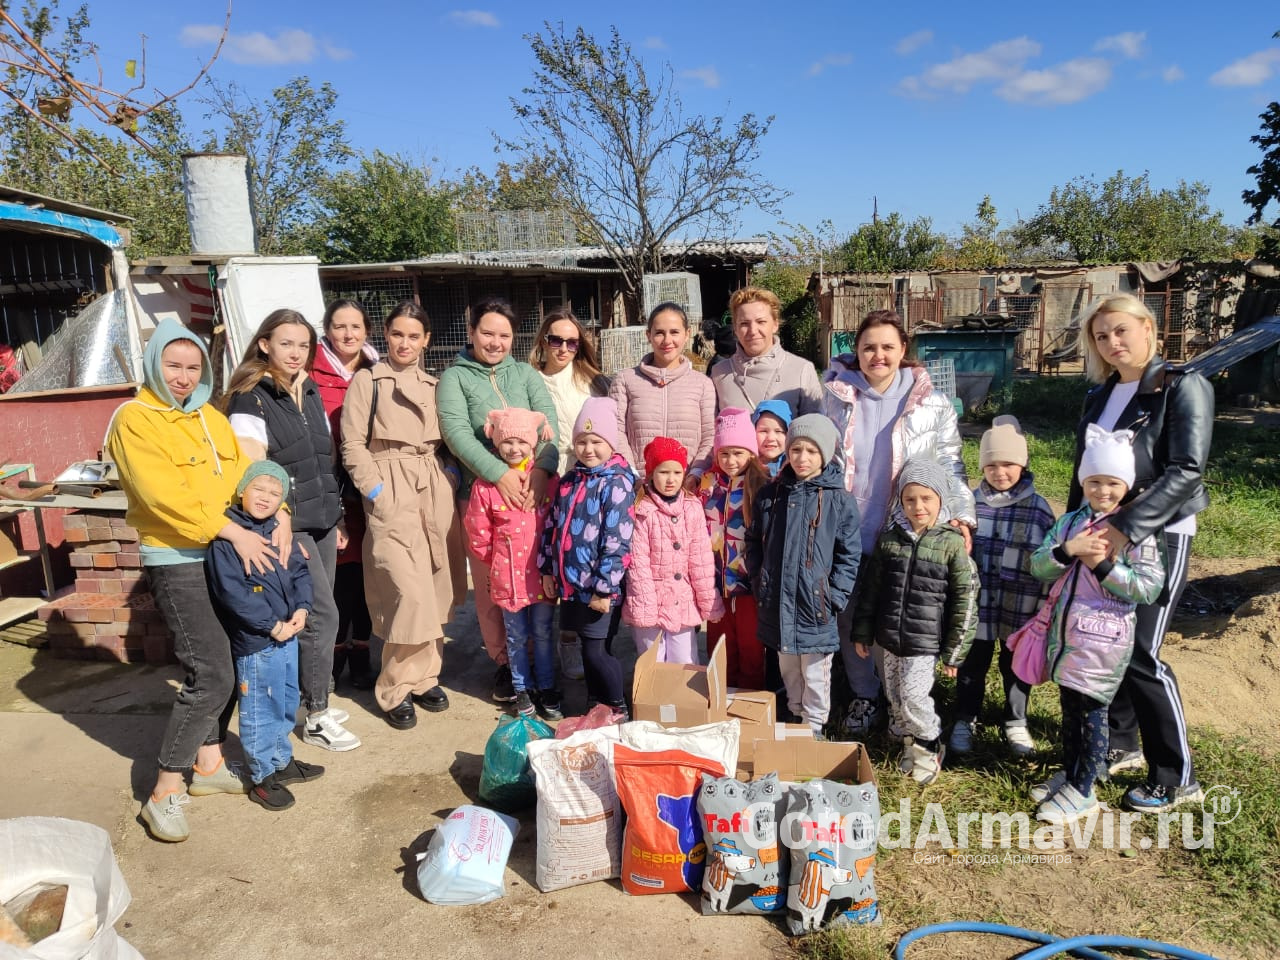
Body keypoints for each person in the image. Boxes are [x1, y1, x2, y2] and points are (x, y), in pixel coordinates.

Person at [106, 317, 269, 842]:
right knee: (211, 673)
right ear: (155, 365)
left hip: (223, 549)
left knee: (236, 657)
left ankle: (209, 765)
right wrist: (234, 533)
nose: (181, 376)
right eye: (172, 366)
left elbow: (245, 473)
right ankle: (164, 788)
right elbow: (162, 497)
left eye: (192, 367)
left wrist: (277, 509)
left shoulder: (209, 416)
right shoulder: (135, 419)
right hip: (177, 556)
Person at [1069, 292, 1214, 812]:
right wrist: (1071, 535)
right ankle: (1124, 744)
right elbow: (1083, 473)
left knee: (1142, 652)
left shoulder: (1182, 387)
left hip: (1159, 533)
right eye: (1102, 335)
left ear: (1148, 329)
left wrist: (1126, 528)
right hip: (1101, 535)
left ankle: (1177, 776)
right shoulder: (1099, 396)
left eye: (1121, 331)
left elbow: (1186, 470)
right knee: (1111, 639)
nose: (1112, 342)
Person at [822, 309, 975, 738]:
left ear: (903, 350)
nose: (878, 355)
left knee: (895, 619)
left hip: (903, 531)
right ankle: (863, 695)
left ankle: (902, 704)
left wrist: (961, 514)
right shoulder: (836, 395)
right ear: (856, 350)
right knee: (851, 618)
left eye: (888, 347)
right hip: (848, 529)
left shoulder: (931, 403)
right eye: (869, 347)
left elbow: (950, 463)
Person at [222, 309, 359, 753]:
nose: (296, 353)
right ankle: (317, 715)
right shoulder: (251, 396)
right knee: (321, 616)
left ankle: (312, 700)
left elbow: (323, 459)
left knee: (317, 614)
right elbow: (251, 467)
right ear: (264, 345)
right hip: (287, 524)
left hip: (320, 519)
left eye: (303, 345)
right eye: (286, 343)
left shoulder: (310, 389)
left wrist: (336, 516)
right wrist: (277, 512)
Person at [1028, 426, 1164, 824]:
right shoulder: (1070, 522)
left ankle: (1084, 790)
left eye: (1112, 483)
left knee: (1091, 716)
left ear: (1127, 485)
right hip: (1067, 637)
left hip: (1103, 642)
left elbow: (1147, 587)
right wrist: (1068, 551)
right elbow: (1038, 565)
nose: (1103, 491)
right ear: (1083, 482)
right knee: (1070, 711)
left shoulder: (1133, 531)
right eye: (1094, 481)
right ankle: (1072, 775)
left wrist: (1102, 565)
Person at [341, 301, 461, 730]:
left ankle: (425, 676)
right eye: (397, 334)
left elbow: (452, 435)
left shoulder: (436, 383)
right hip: (391, 485)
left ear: (426, 339)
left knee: (433, 587)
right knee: (405, 593)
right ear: (385, 337)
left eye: (414, 336)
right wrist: (376, 488)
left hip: (432, 485)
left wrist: (447, 473)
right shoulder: (367, 381)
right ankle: (393, 688)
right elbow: (352, 443)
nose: (405, 343)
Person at [438, 297, 560, 703]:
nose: (495, 342)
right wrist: (499, 474)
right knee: (495, 585)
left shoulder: (525, 374)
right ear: (471, 333)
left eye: (504, 335)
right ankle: (507, 665)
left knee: (536, 578)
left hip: (534, 494)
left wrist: (541, 471)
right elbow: (457, 434)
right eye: (487, 333)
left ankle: (540, 665)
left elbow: (549, 424)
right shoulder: (455, 378)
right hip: (484, 496)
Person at [205, 461, 323, 812]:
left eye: (275, 493)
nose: (265, 498)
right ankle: (261, 777)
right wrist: (272, 625)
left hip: (288, 634)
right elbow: (234, 595)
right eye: (259, 489)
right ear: (242, 490)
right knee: (260, 707)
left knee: (287, 701)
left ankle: (281, 761)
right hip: (259, 642)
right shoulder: (228, 541)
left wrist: (301, 609)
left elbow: (301, 572)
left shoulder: (279, 531)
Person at [853, 459, 978, 784]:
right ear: (900, 501)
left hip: (924, 643)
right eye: (910, 499)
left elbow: (965, 602)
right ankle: (906, 739)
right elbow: (872, 590)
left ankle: (927, 744)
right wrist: (863, 631)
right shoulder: (891, 539)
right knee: (894, 694)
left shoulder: (950, 543)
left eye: (926, 499)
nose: (918, 507)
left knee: (913, 697)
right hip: (889, 637)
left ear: (940, 500)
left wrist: (955, 651)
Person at [745, 414, 860, 737]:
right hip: (778, 602)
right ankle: (795, 718)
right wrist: (761, 582)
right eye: (796, 450)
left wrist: (834, 595)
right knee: (788, 668)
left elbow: (848, 554)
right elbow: (753, 541)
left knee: (815, 673)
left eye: (811, 451)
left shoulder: (839, 499)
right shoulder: (772, 495)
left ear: (824, 454)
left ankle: (815, 726)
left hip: (816, 607)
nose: (802, 458)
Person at [950, 415, 1055, 759]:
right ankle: (966, 717)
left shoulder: (1037, 508)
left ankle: (1016, 720)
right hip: (978, 606)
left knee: (1015, 666)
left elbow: (1050, 561)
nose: (1000, 472)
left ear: (1022, 465)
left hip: (1020, 606)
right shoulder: (971, 505)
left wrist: (1044, 607)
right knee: (972, 664)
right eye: (991, 465)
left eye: (1008, 464)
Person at [539, 397, 636, 719]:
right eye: (582, 441)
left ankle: (617, 706)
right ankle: (597, 705)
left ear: (611, 443)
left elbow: (617, 540)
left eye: (597, 441)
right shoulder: (570, 482)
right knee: (586, 646)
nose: (588, 449)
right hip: (571, 584)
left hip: (599, 587)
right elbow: (552, 527)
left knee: (597, 650)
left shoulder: (617, 483)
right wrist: (547, 570)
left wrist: (605, 588)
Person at [464, 408, 562, 721]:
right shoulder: (486, 486)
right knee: (516, 636)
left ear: (534, 443)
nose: (515, 448)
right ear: (496, 444)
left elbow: (559, 523)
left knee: (544, 631)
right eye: (508, 442)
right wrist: (493, 563)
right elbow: (478, 531)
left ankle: (546, 685)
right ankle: (521, 686)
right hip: (508, 576)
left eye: (522, 441)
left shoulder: (548, 481)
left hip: (542, 574)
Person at [529, 307, 609, 684]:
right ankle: (557, 640)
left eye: (571, 341)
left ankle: (579, 636)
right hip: (548, 474)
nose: (563, 348)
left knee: (584, 557)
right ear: (543, 341)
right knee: (550, 557)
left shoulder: (593, 381)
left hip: (587, 476)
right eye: (556, 339)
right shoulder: (529, 380)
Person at [310, 298, 380, 690]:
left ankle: (362, 651)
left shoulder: (377, 372)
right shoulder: (311, 373)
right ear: (327, 330)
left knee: (369, 573)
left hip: (371, 485)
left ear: (366, 331)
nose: (348, 334)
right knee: (340, 574)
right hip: (331, 485)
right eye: (340, 326)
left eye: (355, 327)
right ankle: (335, 652)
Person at [624, 437, 722, 665]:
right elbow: (638, 565)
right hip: (649, 602)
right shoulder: (641, 510)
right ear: (650, 473)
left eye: (677, 473)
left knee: (685, 661)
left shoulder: (692, 507)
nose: (671, 479)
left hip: (682, 600)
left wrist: (708, 601)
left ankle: (683, 702)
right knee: (652, 663)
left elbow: (701, 560)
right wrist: (646, 608)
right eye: (663, 472)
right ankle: (652, 702)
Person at [699, 408, 769, 688]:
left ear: (751, 453)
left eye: (738, 453)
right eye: (724, 453)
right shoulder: (707, 485)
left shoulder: (761, 485)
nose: (731, 460)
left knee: (751, 649)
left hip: (748, 585)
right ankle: (721, 700)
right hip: (715, 583)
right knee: (720, 648)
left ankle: (750, 704)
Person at [608, 301, 715, 483]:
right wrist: (630, 473)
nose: (667, 341)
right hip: (637, 488)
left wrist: (695, 474)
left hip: (686, 489)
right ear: (648, 335)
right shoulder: (625, 380)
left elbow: (710, 435)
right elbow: (615, 429)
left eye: (674, 332)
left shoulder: (702, 384)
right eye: (659, 333)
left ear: (687, 334)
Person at [709, 286, 823, 416]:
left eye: (761, 322)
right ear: (735, 328)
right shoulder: (719, 373)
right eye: (744, 323)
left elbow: (815, 428)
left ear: (775, 324)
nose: (753, 331)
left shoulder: (801, 370)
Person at [752, 399, 792, 478]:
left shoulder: (795, 466)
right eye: (763, 431)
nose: (771, 438)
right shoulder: (747, 465)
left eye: (779, 431)